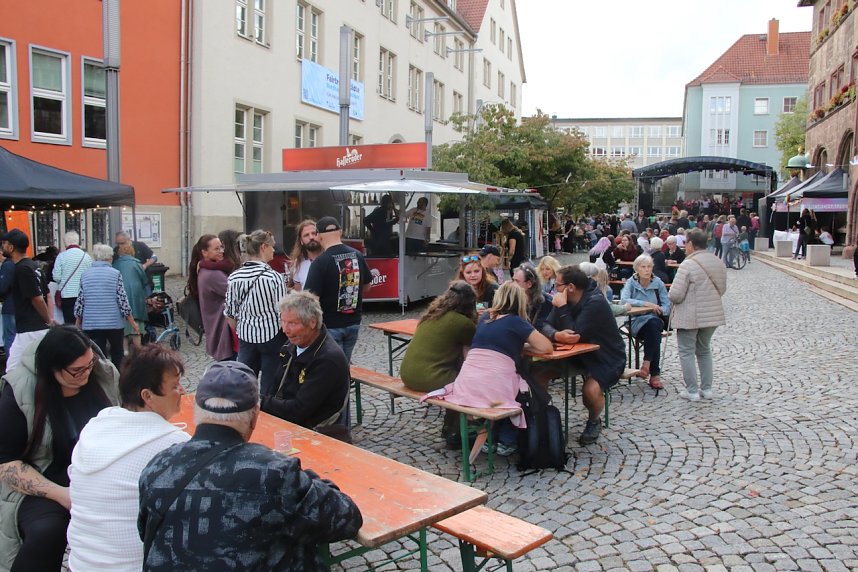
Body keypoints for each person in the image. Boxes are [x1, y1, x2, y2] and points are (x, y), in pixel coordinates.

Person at [137, 361, 363, 571]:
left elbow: (145, 531)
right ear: (255, 414)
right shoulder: (274, 473)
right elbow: (347, 517)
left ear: (197, 410)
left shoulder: (158, 467)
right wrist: (307, 478)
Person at [0, 326, 119, 571]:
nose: (86, 373)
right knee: (47, 531)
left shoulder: (102, 374)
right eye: (77, 371)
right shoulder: (20, 389)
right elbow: (6, 463)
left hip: (102, 475)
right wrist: (62, 495)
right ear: (51, 368)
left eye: (90, 364)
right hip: (46, 480)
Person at [67, 345, 189, 572]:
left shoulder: (96, 426)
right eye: (174, 386)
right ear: (148, 396)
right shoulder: (173, 444)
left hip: (81, 562)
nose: (182, 391)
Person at [427, 282, 552, 456]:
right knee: (520, 393)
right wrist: (523, 347)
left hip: (466, 385)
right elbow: (546, 347)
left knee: (501, 388)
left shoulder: (485, 317)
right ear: (520, 301)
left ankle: (490, 439)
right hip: (490, 388)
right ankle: (507, 441)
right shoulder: (517, 322)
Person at [541, 265, 626, 445]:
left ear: (570, 287)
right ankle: (541, 419)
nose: (555, 289)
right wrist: (556, 335)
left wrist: (563, 308)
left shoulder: (595, 302)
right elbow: (545, 325)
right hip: (577, 356)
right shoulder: (565, 299)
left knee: (590, 390)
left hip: (606, 357)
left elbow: (574, 333)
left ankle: (594, 420)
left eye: (557, 285)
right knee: (538, 374)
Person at [261, 291, 350, 434]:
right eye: (283, 321)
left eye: (292, 323)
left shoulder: (328, 360)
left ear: (312, 322)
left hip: (318, 433)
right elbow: (276, 390)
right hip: (293, 424)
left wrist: (260, 402)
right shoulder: (292, 346)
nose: (285, 329)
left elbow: (299, 410)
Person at [224, 230, 287, 396]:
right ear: (263, 247)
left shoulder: (234, 277)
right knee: (270, 384)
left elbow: (230, 313)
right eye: (272, 247)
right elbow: (283, 312)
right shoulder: (274, 278)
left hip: (245, 336)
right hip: (272, 335)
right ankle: (267, 414)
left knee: (243, 383)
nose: (274, 250)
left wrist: (241, 330)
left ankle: (244, 412)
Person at [668, 228, 727, 401]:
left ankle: (692, 391)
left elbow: (675, 294)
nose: (684, 246)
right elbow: (722, 289)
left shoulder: (688, 264)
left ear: (691, 244)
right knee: (704, 350)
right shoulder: (718, 262)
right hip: (712, 313)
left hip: (690, 315)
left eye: (685, 243)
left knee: (686, 352)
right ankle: (707, 389)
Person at [303, 217, 372, 364]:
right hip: (354, 321)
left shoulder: (320, 262)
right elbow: (367, 286)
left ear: (319, 236)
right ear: (340, 232)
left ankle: (340, 387)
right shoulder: (357, 255)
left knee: (334, 368)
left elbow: (311, 299)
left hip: (330, 325)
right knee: (344, 364)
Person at [74, 244, 140, 368]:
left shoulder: (85, 275)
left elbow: (81, 301)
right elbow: (122, 300)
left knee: (98, 356)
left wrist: (77, 323)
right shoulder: (115, 274)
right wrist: (132, 322)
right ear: (110, 258)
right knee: (117, 354)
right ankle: (118, 380)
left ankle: (101, 381)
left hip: (91, 323)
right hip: (113, 323)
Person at [3, 229, 53, 372]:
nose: (3, 246)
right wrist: (49, 318)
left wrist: (48, 320)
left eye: (5, 243)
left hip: (29, 329)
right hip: (33, 328)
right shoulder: (34, 266)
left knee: (13, 370)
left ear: (11, 247)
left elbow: (37, 298)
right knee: (27, 367)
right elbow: (47, 295)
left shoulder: (22, 269)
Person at [620, 255, 671, 390]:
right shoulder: (631, 282)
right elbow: (624, 300)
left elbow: (667, 305)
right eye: (643, 267)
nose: (647, 270)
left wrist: (660, 309)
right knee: (655, 332)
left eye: (649, 267)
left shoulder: (658, 283)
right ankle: (654, 374)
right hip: (635, 320)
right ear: (637, 269)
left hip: (653, 320)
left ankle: (647, 363)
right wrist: (645, 304)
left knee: (654, 325)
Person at [189, 234, 235, 361]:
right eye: (216, 249)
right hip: (222, 333)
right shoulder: (212, 275)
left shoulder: (206, 270)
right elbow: (236, 293)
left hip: (216, 330)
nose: (221, 251)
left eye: (221, 247)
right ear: (204, 252)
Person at [114, 242, 150, 348]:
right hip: (136, 298)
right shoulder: (137, 264)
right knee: (137, 326)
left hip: (120, 299)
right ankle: (137, 351)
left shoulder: (115, 264)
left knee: (123, 329)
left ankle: (124, 352)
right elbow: (144, 280)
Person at [52, 231, 93, 325]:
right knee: (83, 323)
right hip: (84, 295)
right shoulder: (86, 257)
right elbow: (90, 276)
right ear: (78, 241)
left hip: (67, 295)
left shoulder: (61, 256)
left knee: (70, 324)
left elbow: (56, 277)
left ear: (65, 242)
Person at [513, 262, 552, 330]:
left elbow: (543, 327)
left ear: (529, 284)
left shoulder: (546, 302)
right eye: (513, 280)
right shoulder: (512, 299)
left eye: (517, 281)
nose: (513, 285)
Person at [288, 220, 323, 291]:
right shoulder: (298, 264)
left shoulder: (330, 259)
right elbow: (299, 294)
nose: (311, 237)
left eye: (314, 233)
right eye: (306, 235)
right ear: (301, 241)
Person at [0, 248, 15, 355]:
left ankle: (11, 366)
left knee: (9, 338)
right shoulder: (17, 263)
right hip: (18, 306)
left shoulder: (7, 265)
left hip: (9, 307)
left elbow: (2, 287)